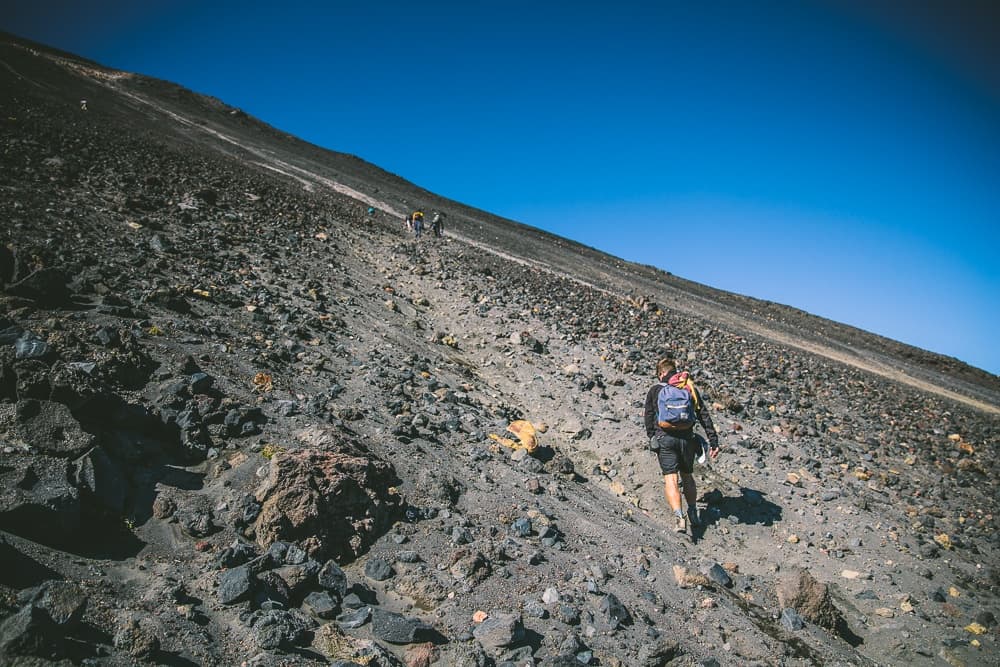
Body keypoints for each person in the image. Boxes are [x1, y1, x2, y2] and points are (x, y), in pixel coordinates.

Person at [643, 357, 720, 533]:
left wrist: (651, 437)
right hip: (687, 439)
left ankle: (679, 518)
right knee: (687, 476)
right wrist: (713, 440)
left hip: (665, 439)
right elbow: (703, 414)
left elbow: (648, 415)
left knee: (671, 478)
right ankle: (693, 511)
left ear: (661, 373)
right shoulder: (688, 387)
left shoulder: (655, 390)